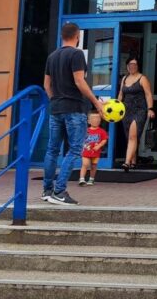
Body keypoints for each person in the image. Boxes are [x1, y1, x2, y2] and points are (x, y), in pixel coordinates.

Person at [42, 22, 104, 205]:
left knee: (52, 150)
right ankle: (60, 191)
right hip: (74, 109)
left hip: (56, 109)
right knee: (75, 149)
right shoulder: (77, 54)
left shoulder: (52, 56)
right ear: (77, 37)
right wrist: (96, 102)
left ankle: (47, 190)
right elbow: (79, 81)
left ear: (62, 36)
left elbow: (46, 85)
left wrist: (55, 100)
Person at [117, 57, 154, 171]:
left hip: (139, 110)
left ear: (138, 66)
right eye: (130, 64)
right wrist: (116, 107)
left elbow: (148, 94)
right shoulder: (124, 78)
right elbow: (121, 94)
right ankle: (133, 161)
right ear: (127, 66)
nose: (132, 66)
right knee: (130, 137)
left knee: (133, 136)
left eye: (134, 64)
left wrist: (150, 109)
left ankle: (127, 162)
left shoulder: (142, 78)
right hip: (126, 111)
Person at [79, 111, 108, 186]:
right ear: (89, 121)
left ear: (100, 120)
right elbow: (81, 139)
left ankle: (91, 179)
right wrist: (83, 145)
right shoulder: (86, 131)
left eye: (97, 118)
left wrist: (99, 146)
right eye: (93, 118)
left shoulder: (102, 131)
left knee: (94, 165)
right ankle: (82, 179)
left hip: (96, 152)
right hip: (86, 151)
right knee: (85, 164)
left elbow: (104, 140)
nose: (95, 120)